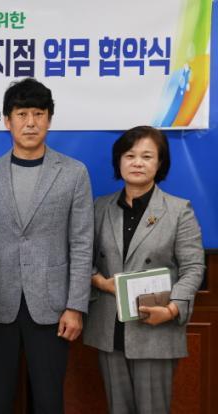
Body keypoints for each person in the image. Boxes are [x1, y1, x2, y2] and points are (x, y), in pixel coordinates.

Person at [0, 78, 94, 413]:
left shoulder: (73, 173)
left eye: (38, 114)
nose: (30, 122)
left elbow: (82, 243)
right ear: (7, 121)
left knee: (49, 399)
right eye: (21, 114)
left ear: (49, 120)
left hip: (53, 307)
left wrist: (76, 306)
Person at [83, 126, 205, 414]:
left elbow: (193, 267)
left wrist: (172, 310)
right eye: (130, 155)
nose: (137, 162)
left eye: (147, 156)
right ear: (119, 161)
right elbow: (81, 256)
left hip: (155, 328)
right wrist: (100, 282)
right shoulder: (100, 207)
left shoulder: (178, 210)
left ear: (160, 163)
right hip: (110, 328)